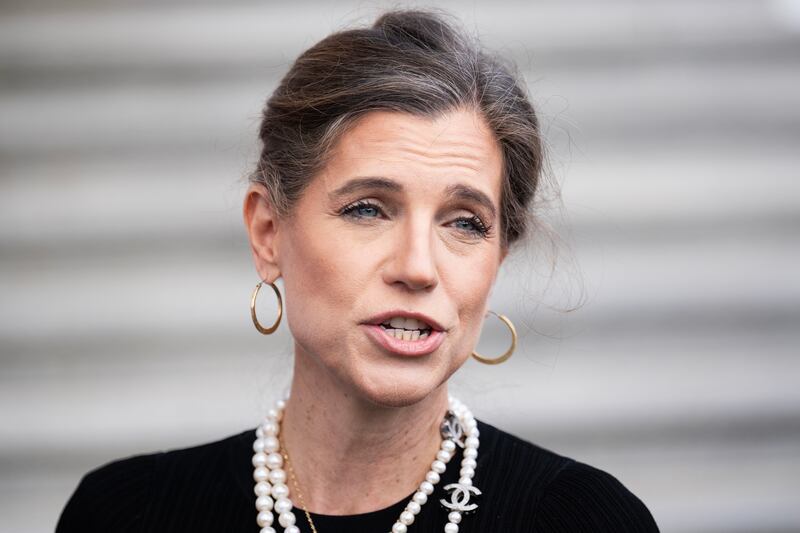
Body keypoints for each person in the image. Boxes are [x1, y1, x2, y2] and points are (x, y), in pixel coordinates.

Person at [56, 8, 659, 533]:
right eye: (367, 209)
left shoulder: (579, 520)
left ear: (498, 257)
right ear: (269, 233)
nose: (418, 268)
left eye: (465, 222)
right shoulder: (127, 514)